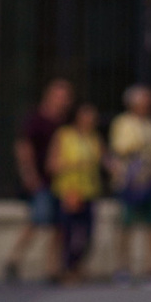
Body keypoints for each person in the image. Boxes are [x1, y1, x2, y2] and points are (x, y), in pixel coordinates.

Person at [8, 75, 75, 283]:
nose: (63, 101)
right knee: (37, 221)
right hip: (42, 180)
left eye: (66, 97)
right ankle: (14, 260)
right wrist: (29, 174)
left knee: (58, 227)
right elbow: (23, 146)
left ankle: (52, 268)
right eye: (59, 96)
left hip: (61, 181)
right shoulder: (36, 119)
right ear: (49, 96)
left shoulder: (65, 122)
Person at [108, 84, 151, 282]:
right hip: (129, 181)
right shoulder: (123, 123)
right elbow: (119, 149)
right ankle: (123, 267)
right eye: (144, 101)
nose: (148, 105)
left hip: (149, 180)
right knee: (126, 225)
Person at [49, 98, 106, 282]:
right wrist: (74, 164)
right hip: (70, 192)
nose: (90, 121)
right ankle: (65, 270)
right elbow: (53, 164)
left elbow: (105, 159)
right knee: (69, 233)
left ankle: (76, 267)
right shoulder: (64, 135)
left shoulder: (94, 138)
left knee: (87, 233)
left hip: (89, 192)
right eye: (86, 116)